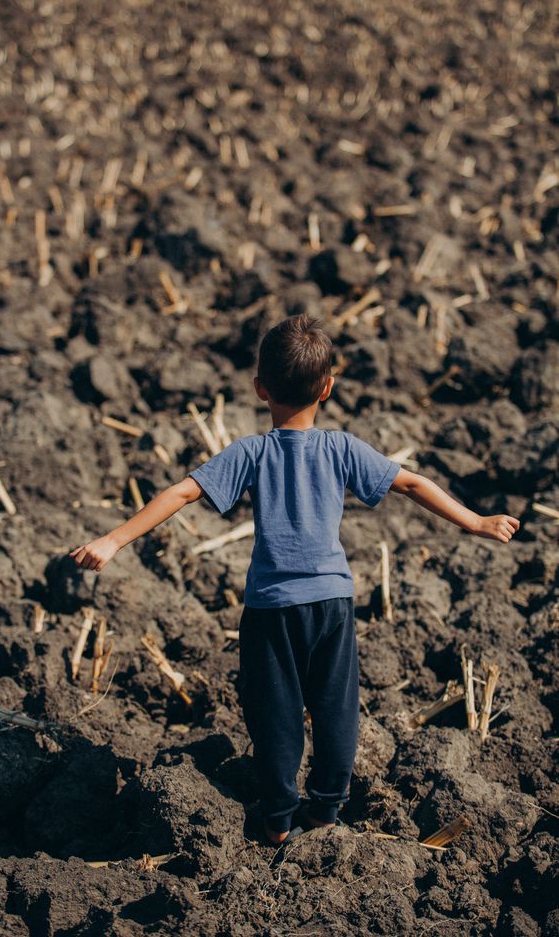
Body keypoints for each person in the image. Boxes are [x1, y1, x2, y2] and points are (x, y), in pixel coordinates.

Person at [70, 314, 520, 845]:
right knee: (337, 709)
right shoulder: (342, 448)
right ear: (327, 388)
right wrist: (476, 522)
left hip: (270, 609)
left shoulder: (250, 453)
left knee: (275, 714)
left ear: (260, 389)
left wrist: (114, 540)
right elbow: (413, 483)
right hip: (332, 602)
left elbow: (182, 493)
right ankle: (327, 812)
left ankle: (279, 819)